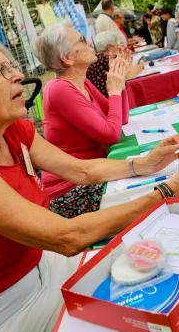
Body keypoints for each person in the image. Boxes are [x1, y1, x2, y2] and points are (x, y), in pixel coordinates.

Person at [0, 38, 179, 332]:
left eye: (12, 66)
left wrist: (142, 164)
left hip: (46, 265)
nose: (17, 75)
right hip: (7, 311)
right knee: (133, 315)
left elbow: (81, 169)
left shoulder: (13, 131)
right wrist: (167, 192)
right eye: (0, 71)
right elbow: (68, 237)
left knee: (152, 261)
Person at [33, 23, 130, 211]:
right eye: (82, 40)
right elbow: (111, 134)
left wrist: (120, 82)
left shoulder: (82, 83)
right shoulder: (59, 89)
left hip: (94, 174)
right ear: (67, 57)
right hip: (71, 190)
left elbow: (121, 119)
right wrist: (115, 90)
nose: (89, 43)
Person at [87, 31, 144, 98]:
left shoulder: (97, 58)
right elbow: (128, 74)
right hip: (111, 98)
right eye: (116, 45)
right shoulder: (106, 59)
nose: (118, 47)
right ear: (109, 47)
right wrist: (141, 65)